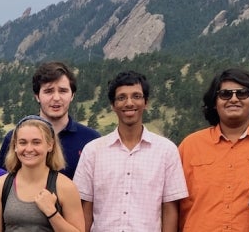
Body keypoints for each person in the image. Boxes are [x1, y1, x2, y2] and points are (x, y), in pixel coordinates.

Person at [177, 68, 249, 231]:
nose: (233, 99)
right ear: (214, 103)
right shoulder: (190, 145)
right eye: (225, 94)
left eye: (242, 93)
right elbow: (172, 203)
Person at [73, 71, 188, 232]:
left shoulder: (166, 151)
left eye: (136, 96)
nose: (129, 103)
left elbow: (170, 208)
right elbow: (86, 207)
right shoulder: (93, 151)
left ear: (146, 102)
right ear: (113, 105)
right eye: (121, 98)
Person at [0, 61, 100, 179]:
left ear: (72, 95)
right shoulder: (14, 138)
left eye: (63, 91)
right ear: (37, 96)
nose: (56, 98)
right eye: (48, 91)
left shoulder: (91, 140)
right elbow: (2, 185)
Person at [0, 115, 85, 232]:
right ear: (15, 146)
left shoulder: (65, 187)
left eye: (36, 142)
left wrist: (52, 213)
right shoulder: (0, 185)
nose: (29, 149)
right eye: (23, 143)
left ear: (50, 145)